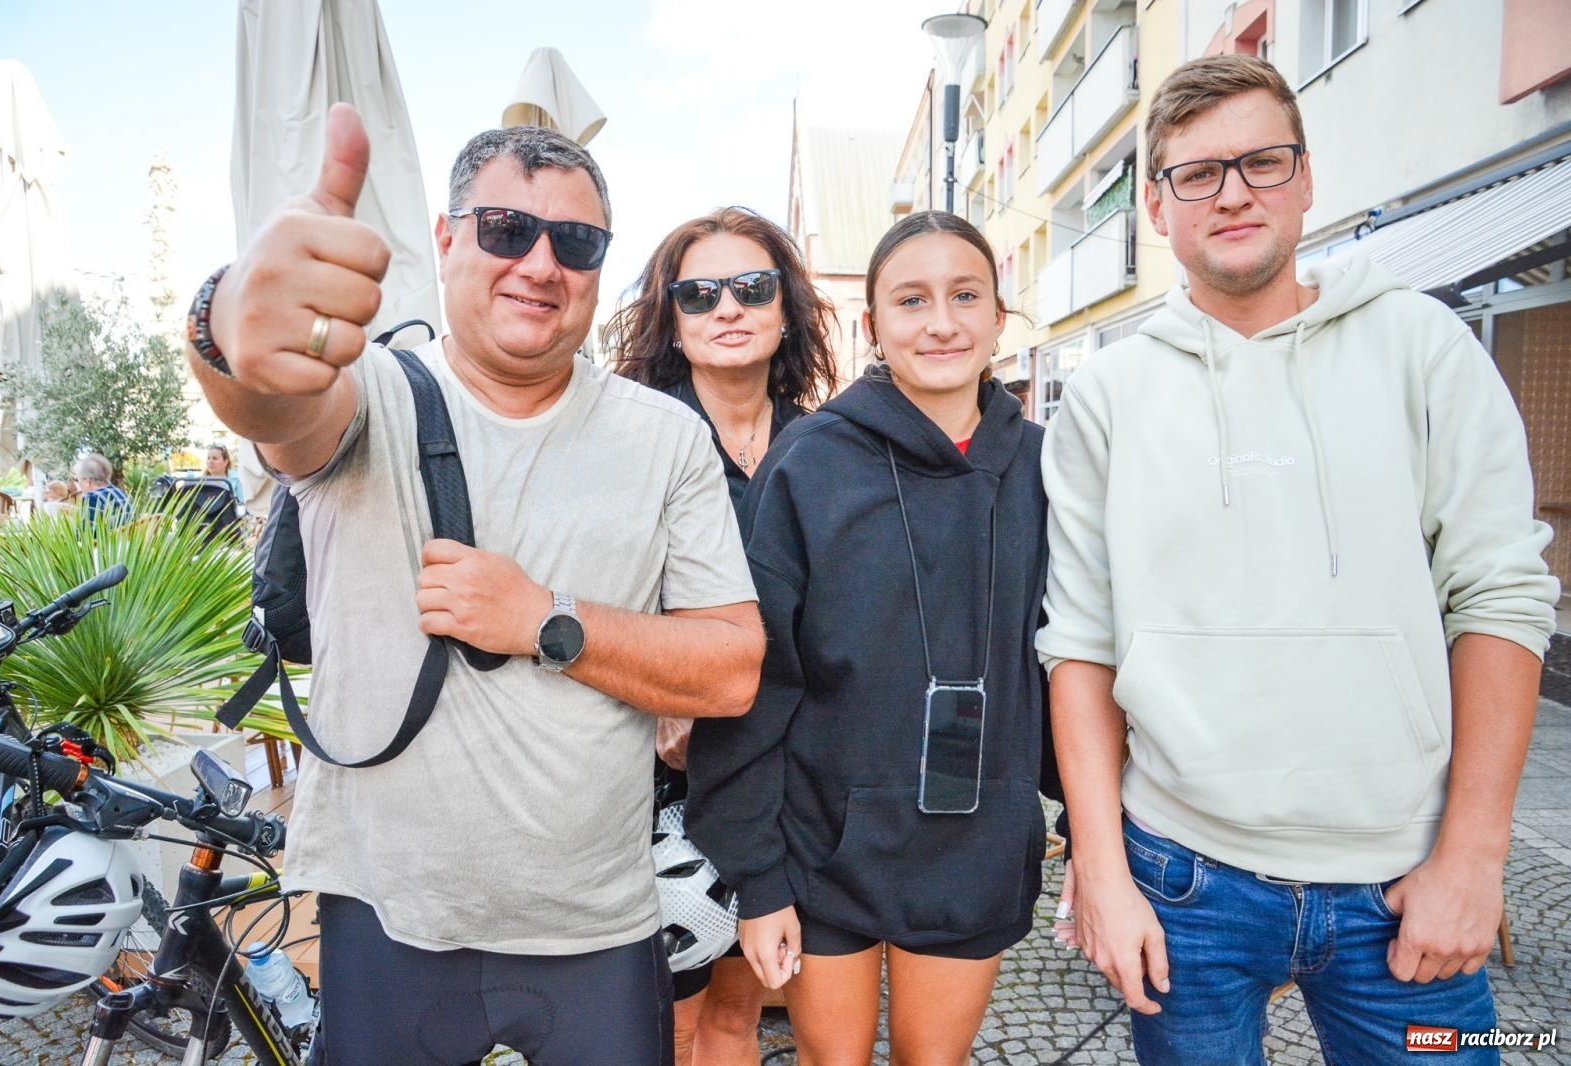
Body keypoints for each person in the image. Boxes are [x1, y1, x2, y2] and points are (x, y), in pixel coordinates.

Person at [183, 104, 764, 1066]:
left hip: (599, 924)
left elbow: (731, 669)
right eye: (507, 230)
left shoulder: (665, 437)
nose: (540, 263)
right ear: (448, 239)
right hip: (391, 912)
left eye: (575, 242)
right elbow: (274, 398)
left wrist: (545, 619)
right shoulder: (366, 389)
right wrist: (227, 323)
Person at [1037, 54, 1560, 1064]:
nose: (1231, 192)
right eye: (1196, 173)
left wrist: (1474, 853)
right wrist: (1099, 865)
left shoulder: (1424, 346)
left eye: (1260, 162)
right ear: (1156, 205)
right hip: (1180, 875)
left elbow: (1499, 593)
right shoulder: (1106, 394)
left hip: (1403, 874)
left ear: (1306, 178)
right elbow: (1081, 642)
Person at [687, 210, 1063, 1065]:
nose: (940, 322)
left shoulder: (1048, 466)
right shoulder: (812, 462)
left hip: (974, 845)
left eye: (965, 295)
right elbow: (757, 679)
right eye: (911, 299)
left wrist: (1087, 825)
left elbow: (1070, 660)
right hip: (824, 849)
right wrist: (761, 879)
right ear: (873, 325)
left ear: (998, 316)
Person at [607, 205, 838, 1066]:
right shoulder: (632, 439)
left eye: (751, 287)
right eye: (699, 294)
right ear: (672, 318)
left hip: (783, 776)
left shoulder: (826, 445)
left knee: (740, 1013)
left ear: (786, 308)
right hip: (658, 781)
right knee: (659, 1030)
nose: (728, 308)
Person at [71, 452, 132, 526]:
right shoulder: (121, 493)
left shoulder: (91, 499)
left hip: (107, 537)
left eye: (78, 480)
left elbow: (82, 534)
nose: (78, 484)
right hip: (128, 536)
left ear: (87, 482)